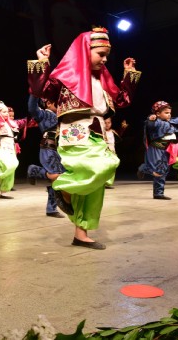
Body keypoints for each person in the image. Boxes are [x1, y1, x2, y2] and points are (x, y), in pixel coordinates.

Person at [27, 26, 141, 249]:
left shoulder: (103, 81)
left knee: (95, 188)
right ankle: (57, 183)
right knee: (101, 168)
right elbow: (40, 90)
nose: (105, 59)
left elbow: (124, 100)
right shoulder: (64, 77)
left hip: (97, 132)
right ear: (84, 51)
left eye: (107, 55)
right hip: (76, 133)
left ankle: (81, 233)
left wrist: (129, 75)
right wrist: (42, 62)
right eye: (101, 54)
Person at [137, 101, 178, 200]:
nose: (169, 114)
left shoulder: (172, 121)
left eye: (170, 112)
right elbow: (149, 125)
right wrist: (150, 118)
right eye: (166, 113)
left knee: (163, 171)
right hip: (156, 148)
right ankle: (143, 168)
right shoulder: (156, 122)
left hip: (166, 149)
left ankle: (158, 193)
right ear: (158, 114)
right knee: (157, 172)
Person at [26, 95, 65, 218]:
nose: (59, 106)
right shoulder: (44, 114)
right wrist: (34, 93)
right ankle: (34, 170)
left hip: (59, 150)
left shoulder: (61, 117)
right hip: (48, 149)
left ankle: (51, 208)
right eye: (57, 104)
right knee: (56, 176)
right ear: (48, 103)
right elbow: (32, 108)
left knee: (57, 179)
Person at [0, 101, 20, 199]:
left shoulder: (10, 124)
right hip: (1, 146)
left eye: (7, 112)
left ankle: (4, 192)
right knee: (8, 165)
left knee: (14, 165)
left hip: (10, 147)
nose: (7, 114)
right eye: (4, 112)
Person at [103, 116, 128, 189]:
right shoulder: (100, 132)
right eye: (105, 123)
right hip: (103, 151)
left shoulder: (113, 131)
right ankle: (102, 182)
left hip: (112, 151)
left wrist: (123, 128)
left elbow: (119, 134)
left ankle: (108, 183)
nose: (107, 124)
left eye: (109, 123)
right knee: (105, 167)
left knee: (112, 167)